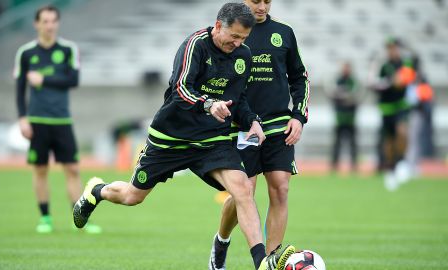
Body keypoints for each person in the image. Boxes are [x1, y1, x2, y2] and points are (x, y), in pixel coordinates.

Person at [72, 3, 294, 270]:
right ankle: (97, 191)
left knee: (243, 189)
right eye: (233, 36)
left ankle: (261, 262)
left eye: (243, 39)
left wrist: (251, 121)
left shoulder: (243, 55)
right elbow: (180, 89)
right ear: (219, 25)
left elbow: (240, 98)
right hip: (171, 138)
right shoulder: (195, 45)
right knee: (132, 196)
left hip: (212, 140)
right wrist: (209, 104)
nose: (237, 43)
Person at [208, 1, 310, 269]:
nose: (262, 6)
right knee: (244, 192)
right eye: (256, 0)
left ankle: (271, 261)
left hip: (279, 126)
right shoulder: (232, 33)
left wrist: (298, 117)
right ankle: (222, 239)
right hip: (243, 126)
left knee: (281, 189)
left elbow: (300, 78)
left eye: (267, 0)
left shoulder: (284, 33)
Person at [13, 5, 101, 234]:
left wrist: (43, 80)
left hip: (62, 121)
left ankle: (79, 220)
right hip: (37, 121)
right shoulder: (26, 53)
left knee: (72, 169)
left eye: (53, 21)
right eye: (45, 21)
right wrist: (22, 118)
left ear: (57, 23)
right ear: (37, 24)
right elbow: (20, 88)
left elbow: (73, 80)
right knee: (40, 170)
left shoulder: (69, 49)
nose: (49, 25)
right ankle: (45, 218)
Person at [371, 38, 414, 190]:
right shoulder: (384, 66)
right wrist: (388, 82)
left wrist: (392, 82)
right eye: (389, 48)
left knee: (402, 132)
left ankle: (402, 161)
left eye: (393, 48)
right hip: (386, 107)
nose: (391, 51)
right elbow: (376, 83)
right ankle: (391, 169)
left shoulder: (404, 64)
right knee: (388, 140)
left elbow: (404, 80)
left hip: (400, 106)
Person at [328, 62, 359, 173]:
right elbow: (332, 94)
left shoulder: (353, 81)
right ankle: (334, 165)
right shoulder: (338, 80)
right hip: (339, 118)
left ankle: (354, 166)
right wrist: (345, 96)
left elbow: (354, 97)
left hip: (351, 118)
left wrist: (342, 95)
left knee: (352, 143)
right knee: (337, 143)